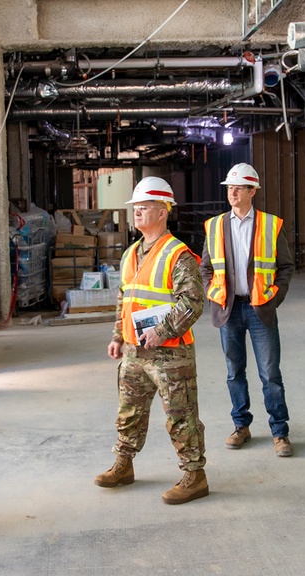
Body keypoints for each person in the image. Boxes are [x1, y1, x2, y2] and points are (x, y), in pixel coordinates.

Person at [94, 176, 208, 505]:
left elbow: (192, 304)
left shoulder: (179, 255)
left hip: (171, 353)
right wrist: (118, 335)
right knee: (129, 411)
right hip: (134, 351)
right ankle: (124, 464)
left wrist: (162, 331)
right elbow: (124, 297)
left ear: (163, 212)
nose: (137, 213)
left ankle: (194, 475)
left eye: (144, 207)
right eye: (136, 208)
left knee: (180, 415)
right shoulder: (131, 253)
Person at [200, 163, 295, 457]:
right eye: (230, 187)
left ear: (252, 191)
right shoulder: (215, 225)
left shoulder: (270, 224)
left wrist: (273, 298)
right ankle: (241, 426)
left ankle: (279, 432)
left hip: (259, 310)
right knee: (233, 372)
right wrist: (211, 293)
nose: (233, 192)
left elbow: (286, 266)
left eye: (239, 187)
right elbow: (205, 267)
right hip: (228, 310)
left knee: (270, 374)